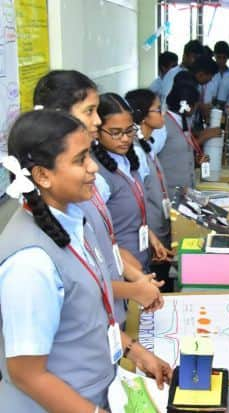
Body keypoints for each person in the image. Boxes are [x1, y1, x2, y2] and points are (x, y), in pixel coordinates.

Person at [0, 110, 171, 412]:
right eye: (80, 160)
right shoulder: (30, 264)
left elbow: (85, 318)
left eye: (89, 154)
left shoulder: (76, 220)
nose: (93, 167)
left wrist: (135, 351)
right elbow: (27, 375)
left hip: (94, 392)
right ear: (42, 175)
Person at [33, 70, 163, 322]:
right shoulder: (58, 195)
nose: (96, 121)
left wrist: (135, 277)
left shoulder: (84, 182)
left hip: (107, 316)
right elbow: (81, 280)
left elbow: (106, 245)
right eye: (89, 111)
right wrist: (134, 288)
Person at [92, 93, 171, 273]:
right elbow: (98, 236)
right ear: (97, 131)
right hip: (121, 271)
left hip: (141, 262)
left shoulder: (129, 161)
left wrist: (151, 237)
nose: (125, 138)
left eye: (129, 131)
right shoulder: (97, 175)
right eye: (115, 132)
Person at [125, 88, 176, 292]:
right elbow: (138, 199)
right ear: (143, 116)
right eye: (157, 109)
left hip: (158, 228)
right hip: (150, 233)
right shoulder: (135, 151)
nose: (162, 114)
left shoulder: (147, 145)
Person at [158, 74, 221, 198]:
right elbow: (152, 160)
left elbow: (177, 151)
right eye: (196, 106)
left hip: (186, 190)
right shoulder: (162, 126)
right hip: (170, 192)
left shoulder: (184, 121)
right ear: (188, 107)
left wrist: (194, 161)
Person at [160, 39, 205, 106]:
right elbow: (167, 102)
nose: (197, 61)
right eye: (194, 57)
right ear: (185, 56)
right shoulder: (172, 74)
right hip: (174, 115)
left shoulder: (198, 75)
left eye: (199, 58)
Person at [204, 41, 229, 106]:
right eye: (219, 57)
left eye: (224, 58)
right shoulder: (208, 74)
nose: (221, 61)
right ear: (214, 55)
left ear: (228, 57)